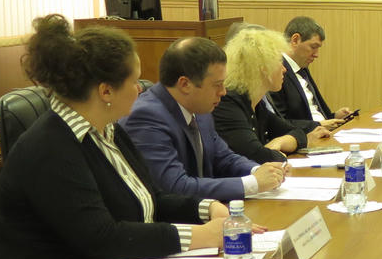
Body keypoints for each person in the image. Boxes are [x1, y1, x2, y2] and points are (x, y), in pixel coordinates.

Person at [0, 15, 227, 259]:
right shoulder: (49, 147)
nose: (141, 89)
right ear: (106, 91)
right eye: (134, 81)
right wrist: (200, 236)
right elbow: (102, 238)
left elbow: (152, 198)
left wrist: (206, 208)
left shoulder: (108, 131)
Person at [123, 37, 287, 202]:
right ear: (185, 84)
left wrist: (258, 171)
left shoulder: (200, 108)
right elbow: (174, 186)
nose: (223, 92)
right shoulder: (146, 117)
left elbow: (223, 157)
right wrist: (253, 183)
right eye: (217, 85)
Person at [215, 27, 331, 164]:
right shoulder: (228, 103)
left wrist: (280, 142)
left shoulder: (256, 103)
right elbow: (257, 156)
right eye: (279, 62)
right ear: (263, 68)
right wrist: (277, 153)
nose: (284, 69)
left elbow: (298, 133)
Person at [269, 16, 355, 129]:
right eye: (313, 47)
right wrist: (318, 125)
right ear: (295, 40)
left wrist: (334, 116)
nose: (316, 54)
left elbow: (312, 111)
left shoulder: (302, 69)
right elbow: (279, 124)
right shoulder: (277, 72)